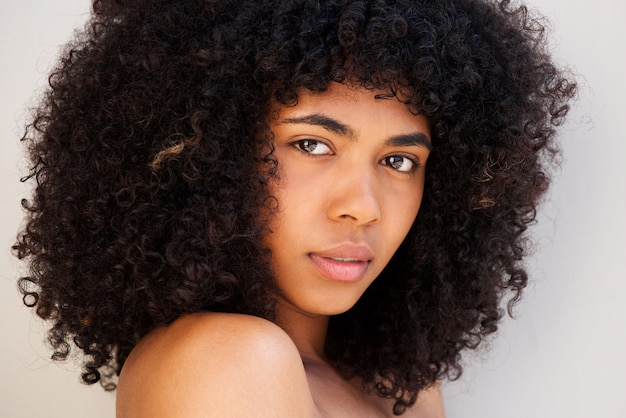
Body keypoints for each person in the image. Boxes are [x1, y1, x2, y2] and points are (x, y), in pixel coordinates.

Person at [13, 0, 576, 416]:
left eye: (401, 160)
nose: (362, 207)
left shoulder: (397, 384)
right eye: (312, 145)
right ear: (207, 154)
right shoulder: (226, 358)